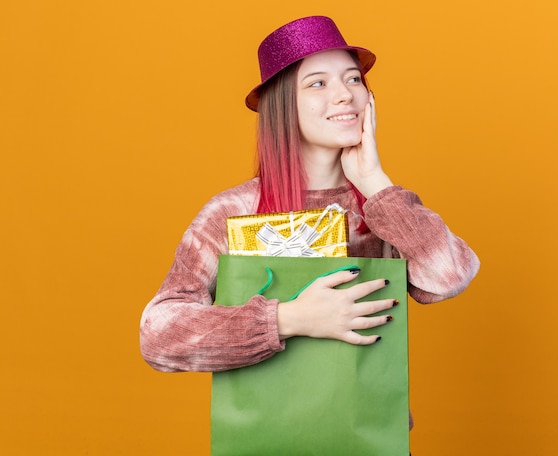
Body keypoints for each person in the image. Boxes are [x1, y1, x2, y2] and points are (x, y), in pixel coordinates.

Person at [140, 15, 479, 432]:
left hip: (370, 438)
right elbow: (159, 337)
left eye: (354, 79)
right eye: (318, 83)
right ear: (283, 105)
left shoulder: (383, 207)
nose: (345, 96)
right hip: (271, 439)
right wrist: (290, 318)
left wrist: (374, 181)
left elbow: (449, 277)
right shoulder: (235, 210)